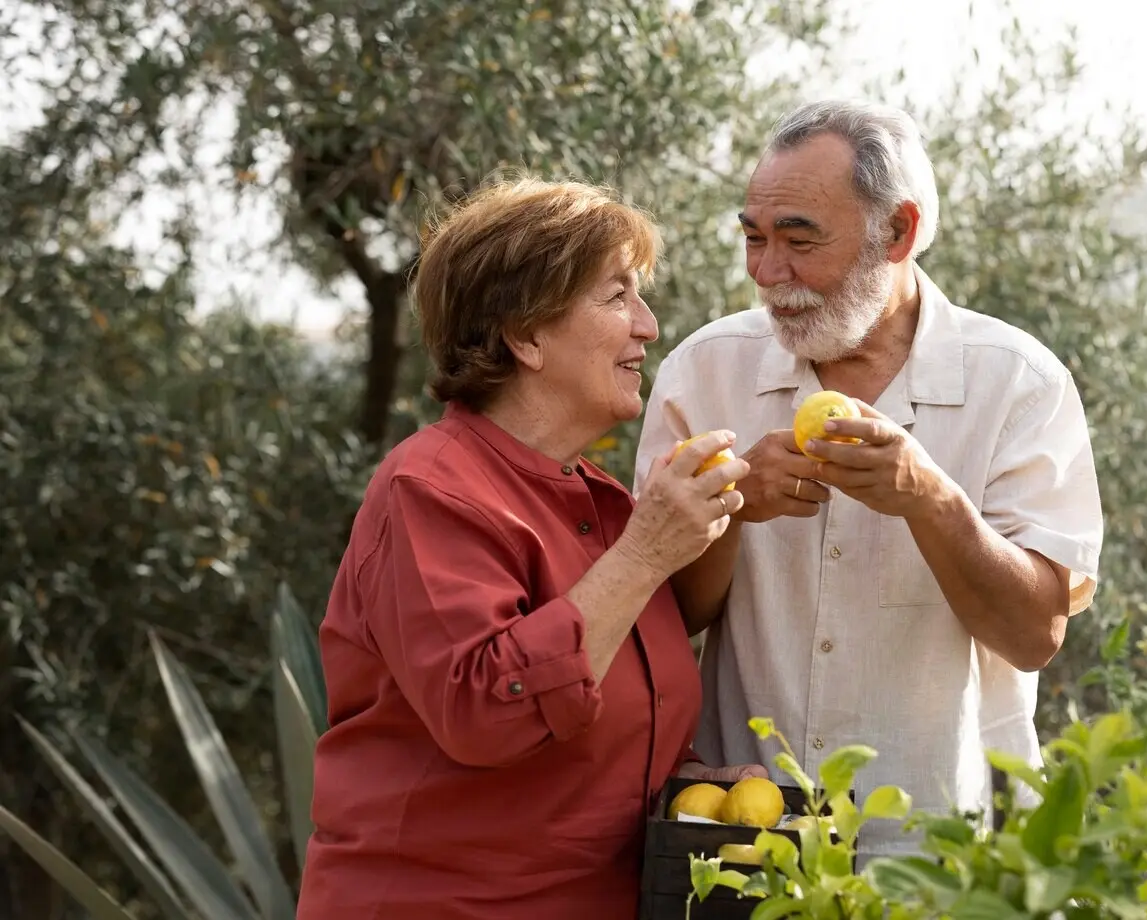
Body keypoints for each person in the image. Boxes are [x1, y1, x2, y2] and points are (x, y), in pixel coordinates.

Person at [634, 100, 1104, 862]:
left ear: (900, 232)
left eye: (799, 240)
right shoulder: (702, 371)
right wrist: (730, 507)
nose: (767, 273)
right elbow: (663, 621)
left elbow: (1033, 635)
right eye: (754, 238)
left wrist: (930, 496)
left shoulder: (1019, 384)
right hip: (740, 839)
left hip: (937, 854)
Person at [296, 176, 764, 920]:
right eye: (617, 297)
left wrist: (697, 787)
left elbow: (594, 734)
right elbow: (490, 711)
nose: (647, 326)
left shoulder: (603, 506)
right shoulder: (428, 489)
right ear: (525, 333)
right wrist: (647, 555)